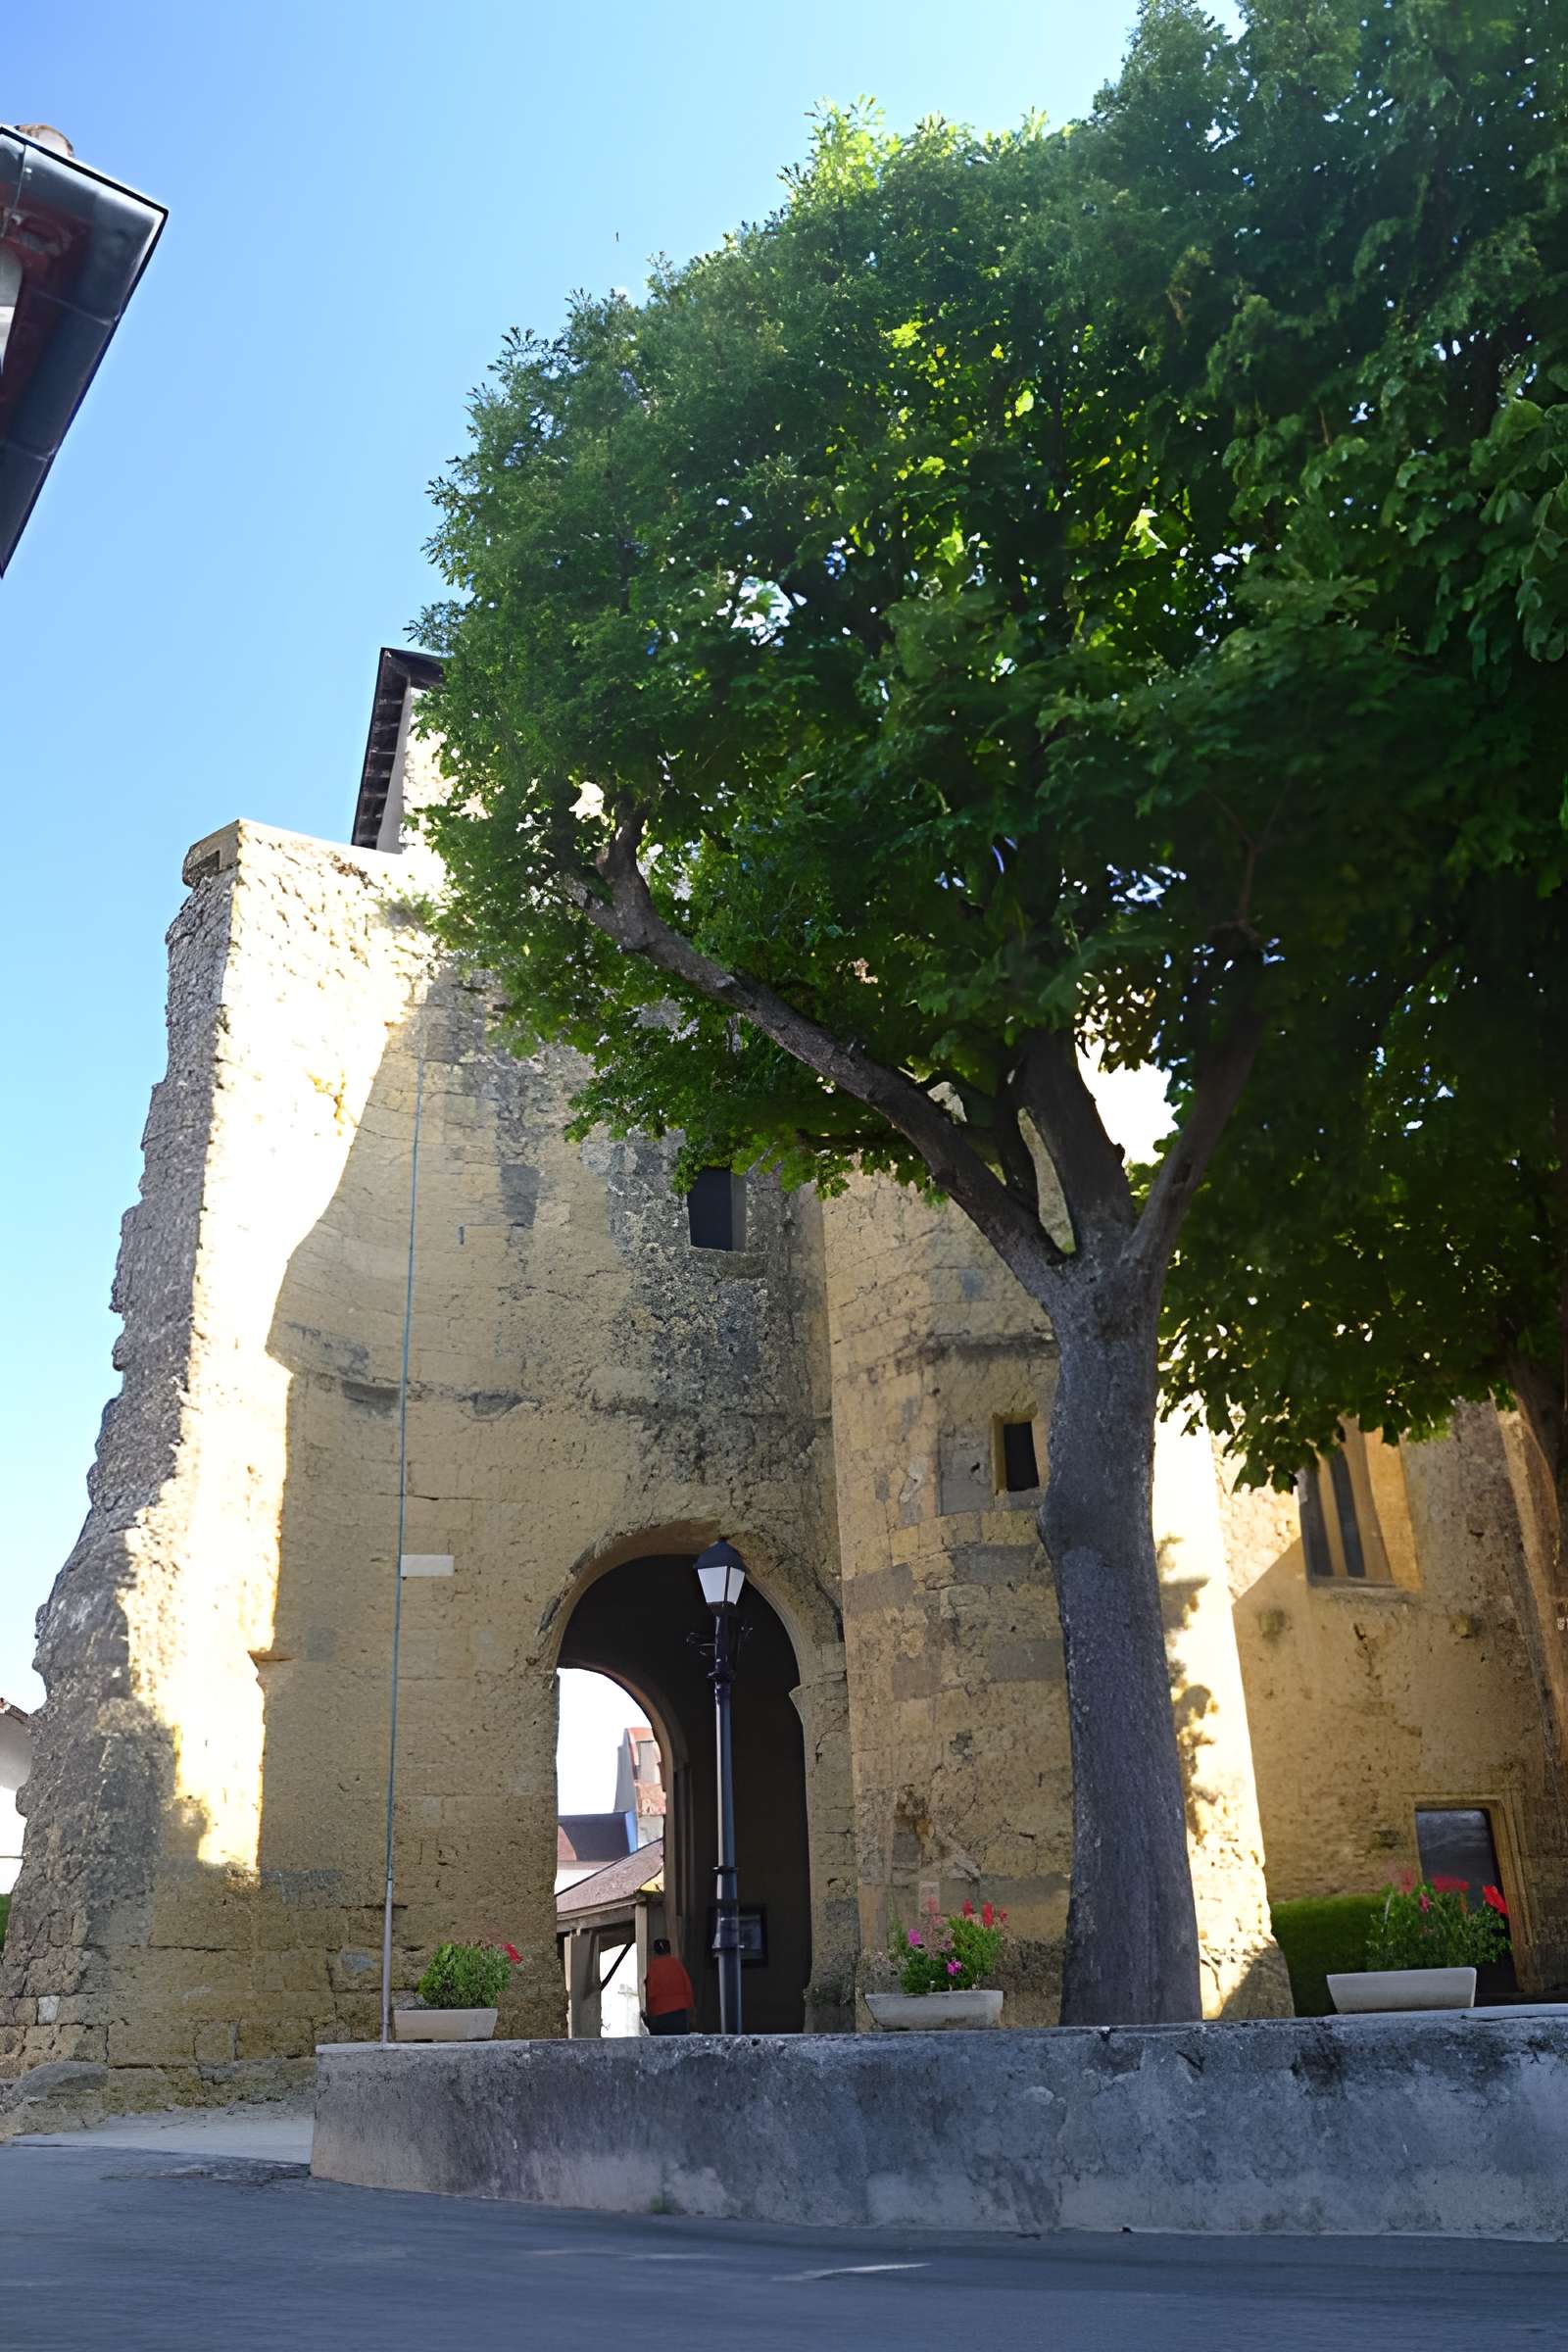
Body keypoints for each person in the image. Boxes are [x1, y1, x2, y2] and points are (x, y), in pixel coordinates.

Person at [641, 1936, 695, 2034]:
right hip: (680, 2017)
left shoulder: (654, 1968)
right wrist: (691, 2014)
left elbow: (650, 1995)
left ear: (655, 1952)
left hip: (661, 2018)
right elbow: (688, 1990)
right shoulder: (678, 1966)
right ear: (669, 1950)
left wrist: (649, 2017)